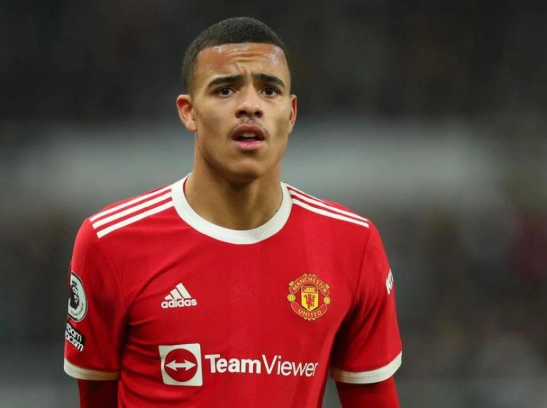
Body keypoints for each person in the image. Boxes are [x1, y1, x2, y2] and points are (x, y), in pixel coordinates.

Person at [63, 16, 402, 407]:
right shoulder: (110, 242)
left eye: (269, 90)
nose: (250, 106)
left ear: (291, 114)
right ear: (188, 112)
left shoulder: (352, 244)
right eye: (225, 90)